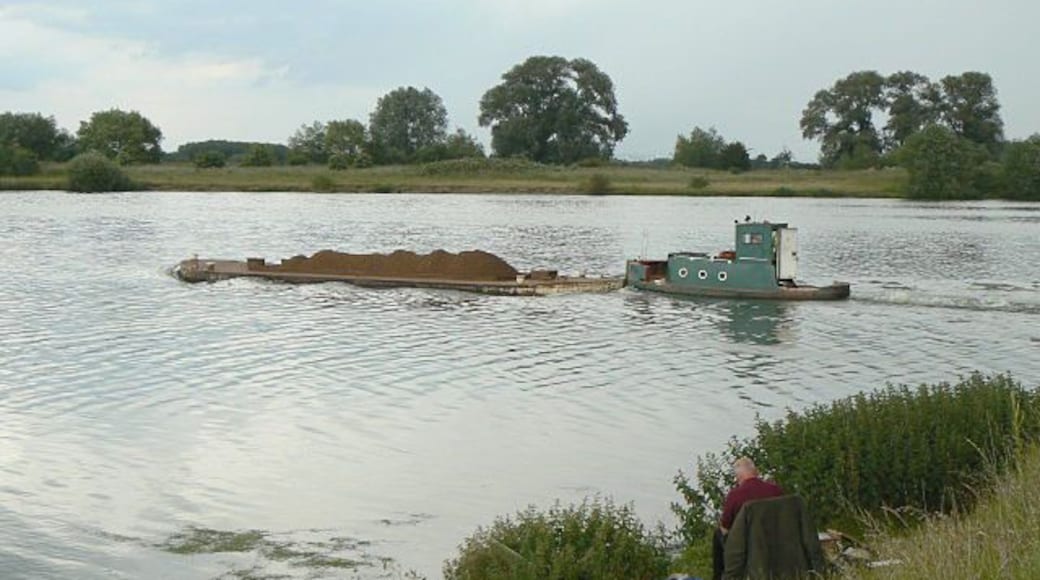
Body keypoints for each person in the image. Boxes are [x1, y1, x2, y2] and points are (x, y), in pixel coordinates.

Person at [712, 457, 784, 580]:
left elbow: (725, 527)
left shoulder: (736, 495)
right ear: (755, 472)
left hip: (748, 545)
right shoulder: (776, 490)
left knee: (717, 534)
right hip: (777, 538)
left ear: (739, 477)